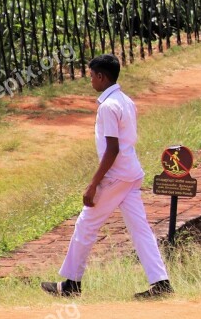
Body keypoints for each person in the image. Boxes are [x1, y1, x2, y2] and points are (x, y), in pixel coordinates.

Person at [42, 54, 172, 299]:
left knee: (86, 224)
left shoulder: (108, 107)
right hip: (130, 173)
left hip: (115, 176)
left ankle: (71, 285)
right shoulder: (125, 101)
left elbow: (112, 149)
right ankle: (161, 283)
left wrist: (93, 184)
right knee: (140, 229)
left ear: (101, 76)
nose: (90, 80)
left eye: (91, 76)